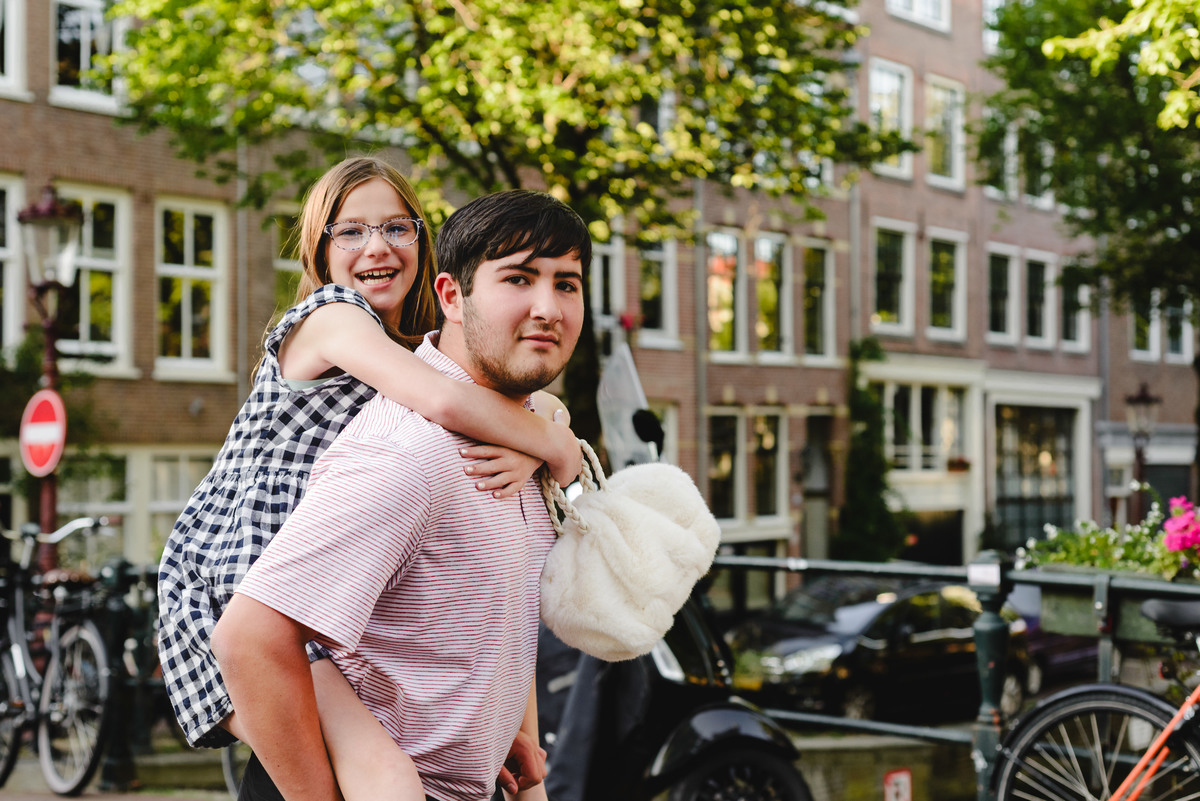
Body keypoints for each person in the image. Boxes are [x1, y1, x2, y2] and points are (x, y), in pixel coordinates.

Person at [158, 160, 581, 797]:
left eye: (396, 227)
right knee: (382, 776)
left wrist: (539, 441)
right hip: (227, 582)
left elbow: (518, 400)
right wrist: (553, 446)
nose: (376, 245)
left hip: (305, 598)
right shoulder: (331, 319)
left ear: (421, 241)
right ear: (318, 250)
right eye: (349, 231)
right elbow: (445, 401)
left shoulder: (414, 350)